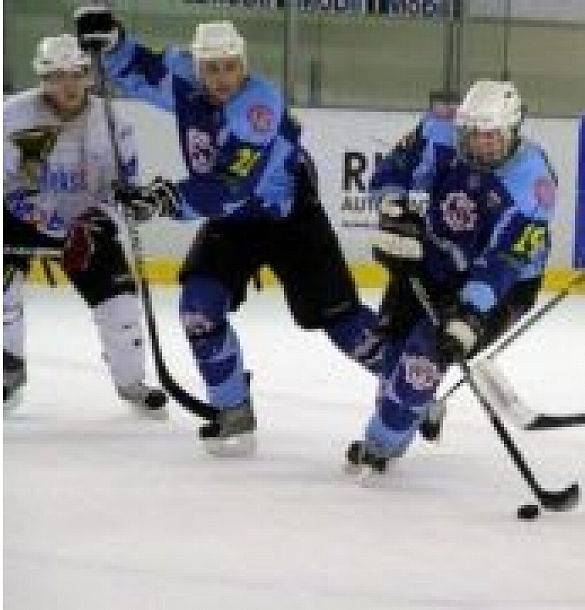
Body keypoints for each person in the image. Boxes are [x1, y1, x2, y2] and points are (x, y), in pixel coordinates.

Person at [74, 9, 382, 456]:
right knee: (199, 309)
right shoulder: (184, 76)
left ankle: (408, 388)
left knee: (341, 320)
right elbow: (141, 71)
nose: (221, 78)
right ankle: (232, 408)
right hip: (234, 226)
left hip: (290, 220)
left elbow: (229, 188)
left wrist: (163, 199)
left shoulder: (259, 107)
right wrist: (114, 42)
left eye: (230, 67)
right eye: (212, 68)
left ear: (244, 64)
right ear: (197, 66)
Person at [346, 80, 556, 472]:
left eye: (492, 136)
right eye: (474, 134)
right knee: (394, 350)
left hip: (503, 285)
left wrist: (470, 313)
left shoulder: (533, 184)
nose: (482, 144)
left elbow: (504, 261)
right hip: (434, 257)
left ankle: (379, 445)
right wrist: (393, 209)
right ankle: (417, 406)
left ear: (513, 130)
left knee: (427, 353)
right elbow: (394, 168)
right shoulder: (437, 130)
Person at [3, 34, 167, 418]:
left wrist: (101, 219)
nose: (69, 84)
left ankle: (131, 382)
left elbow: (124, 189)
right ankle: (7, 370)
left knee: (121, 305)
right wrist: (41, 217)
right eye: (58, 76)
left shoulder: (113, 123)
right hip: (23, 217)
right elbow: (6, 182)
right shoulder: (14, 116)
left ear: (88, 75)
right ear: (44, 78)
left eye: (77, 74)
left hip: (88, 223)